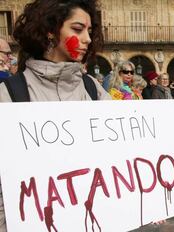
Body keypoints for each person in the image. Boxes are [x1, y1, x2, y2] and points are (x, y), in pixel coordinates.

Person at [0, 0, 111, 231]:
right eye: (78, 29)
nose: (88, 39)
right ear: (50, 31)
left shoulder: (92, 88)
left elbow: (119, 157)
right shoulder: (9, 94)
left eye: (89, 32)